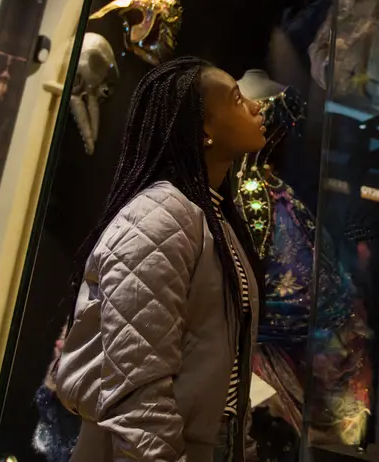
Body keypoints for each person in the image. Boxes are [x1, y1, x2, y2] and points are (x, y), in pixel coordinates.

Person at [54, 57, 267, 462]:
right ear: (204, 126)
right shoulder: (159, 216)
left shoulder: (216, 219)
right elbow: (139, 388)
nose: (256, 107)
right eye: (237, 99)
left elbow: (228, 373)